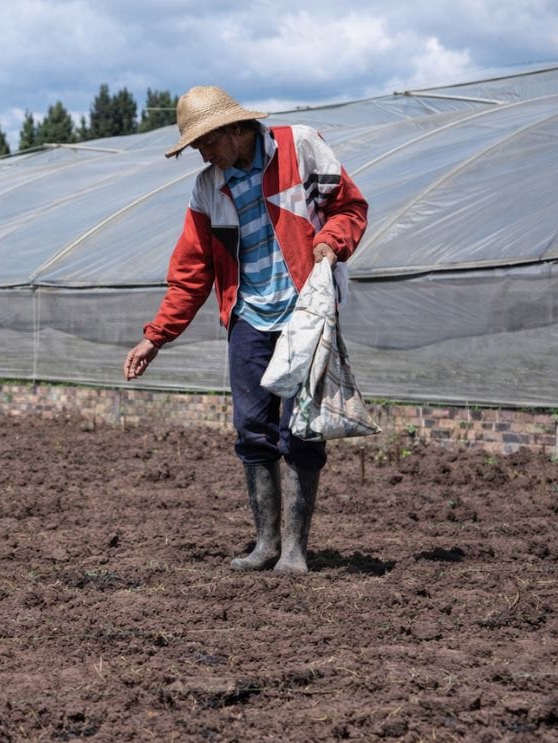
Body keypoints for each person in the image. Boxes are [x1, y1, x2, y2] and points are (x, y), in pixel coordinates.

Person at [123, 85, 368, 574]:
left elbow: (349, 208)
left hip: (305, 314)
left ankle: (296, 549)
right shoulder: (207, 189)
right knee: (251, 430)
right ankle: (266, 544)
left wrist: (330, 242)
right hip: (248, 318)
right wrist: (156, 335)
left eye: (206, 142)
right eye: (195, 145)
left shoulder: (299, 148)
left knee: (299, 429)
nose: (202, 152)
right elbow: (192, 272)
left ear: (234, 129)